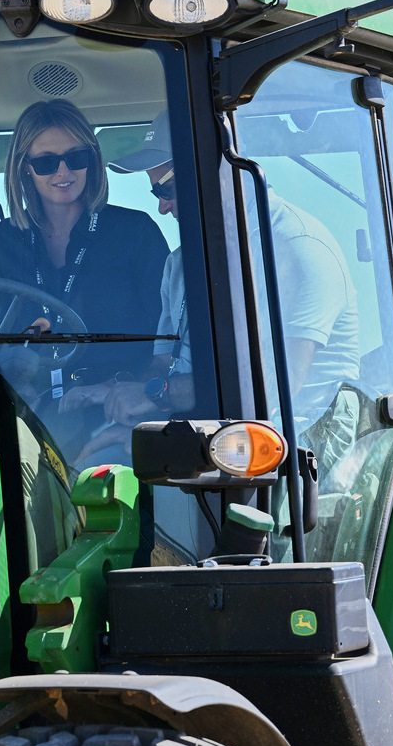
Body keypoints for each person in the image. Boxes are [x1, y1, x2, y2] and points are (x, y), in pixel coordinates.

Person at [70, 110, 362, 474]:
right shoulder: (180, 263)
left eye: (166, 190)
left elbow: (271, 389)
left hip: (293, 445)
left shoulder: (297, 248)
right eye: (155, 192)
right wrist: (119, 393)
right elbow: (165, 364)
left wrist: (154, 396)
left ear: (209, 170)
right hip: (212, 435)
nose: (161, 207)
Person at [0, 99, 169, 399]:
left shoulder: (136, 231)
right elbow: (10, 336)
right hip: (37, 408)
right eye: (46, 162)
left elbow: (168, 343)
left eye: (76, 158)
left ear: (92, 160)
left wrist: (121, 389)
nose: (63, 172)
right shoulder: (6, 239)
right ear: (25, 168)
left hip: (120, 406)